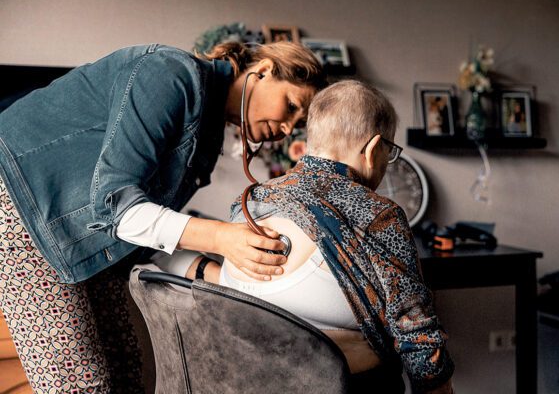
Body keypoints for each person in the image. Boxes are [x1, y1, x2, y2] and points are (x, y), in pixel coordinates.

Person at [0, 41, 326, 393]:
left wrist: (217, 276)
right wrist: (220, 237)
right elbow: (117, 205)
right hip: (20, 203)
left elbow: (143, 234)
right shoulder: (170, 73)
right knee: (78, 384)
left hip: (85, 232)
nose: (288, 127)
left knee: (127, 371)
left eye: (299, 124)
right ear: (262, 71)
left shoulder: (206, 136)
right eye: (291, 105)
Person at [156, 80, 454, 393]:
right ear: (372, 149)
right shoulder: (378, 213)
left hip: (240, 377)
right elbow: (416, 330)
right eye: (388, 152)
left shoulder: (250, 199)